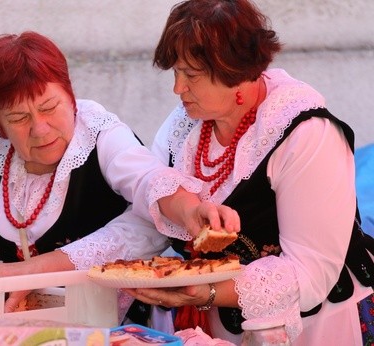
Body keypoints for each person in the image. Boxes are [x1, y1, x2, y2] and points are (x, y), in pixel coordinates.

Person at [0, 31, 240, 319]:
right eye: (19, 118)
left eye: (49, 107)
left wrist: (189, 209)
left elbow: (148, 182)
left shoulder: (99, 134)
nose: (40, 129)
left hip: (107, 327)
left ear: (71, 96)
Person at [124, 0, 374, 345]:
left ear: (234, 73)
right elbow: (150, 198)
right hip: (216, 325)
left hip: (312, 326)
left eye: (191, 75)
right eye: (176, 72)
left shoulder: (306, 135)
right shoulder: (184, 126)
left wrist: (206, 290)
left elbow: (311, 272)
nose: (177, 88)